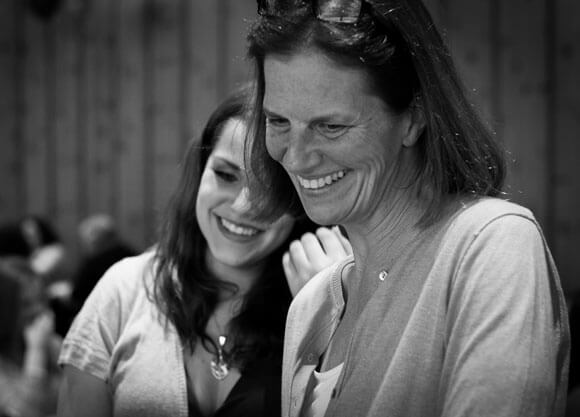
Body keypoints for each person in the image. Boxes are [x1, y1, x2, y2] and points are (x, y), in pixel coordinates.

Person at [245, 1, 569, 416]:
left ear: (414, 117)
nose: (297, 158)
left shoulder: (493, 244)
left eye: (331, 126)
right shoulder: (310, 306)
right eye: (278, 122)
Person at [56, 85, 351, 417]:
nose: (242, 205)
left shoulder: (325, 298)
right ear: (200, 173)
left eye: (270, 189)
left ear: (298, 201)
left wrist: (334, 323)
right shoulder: (124, 288)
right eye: (225, 175)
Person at [0, 257, 61, 417]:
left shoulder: (51, 343)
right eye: (26, 304)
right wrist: (36, 351)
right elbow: (24, 412)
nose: (40, 310)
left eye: (42, 300)